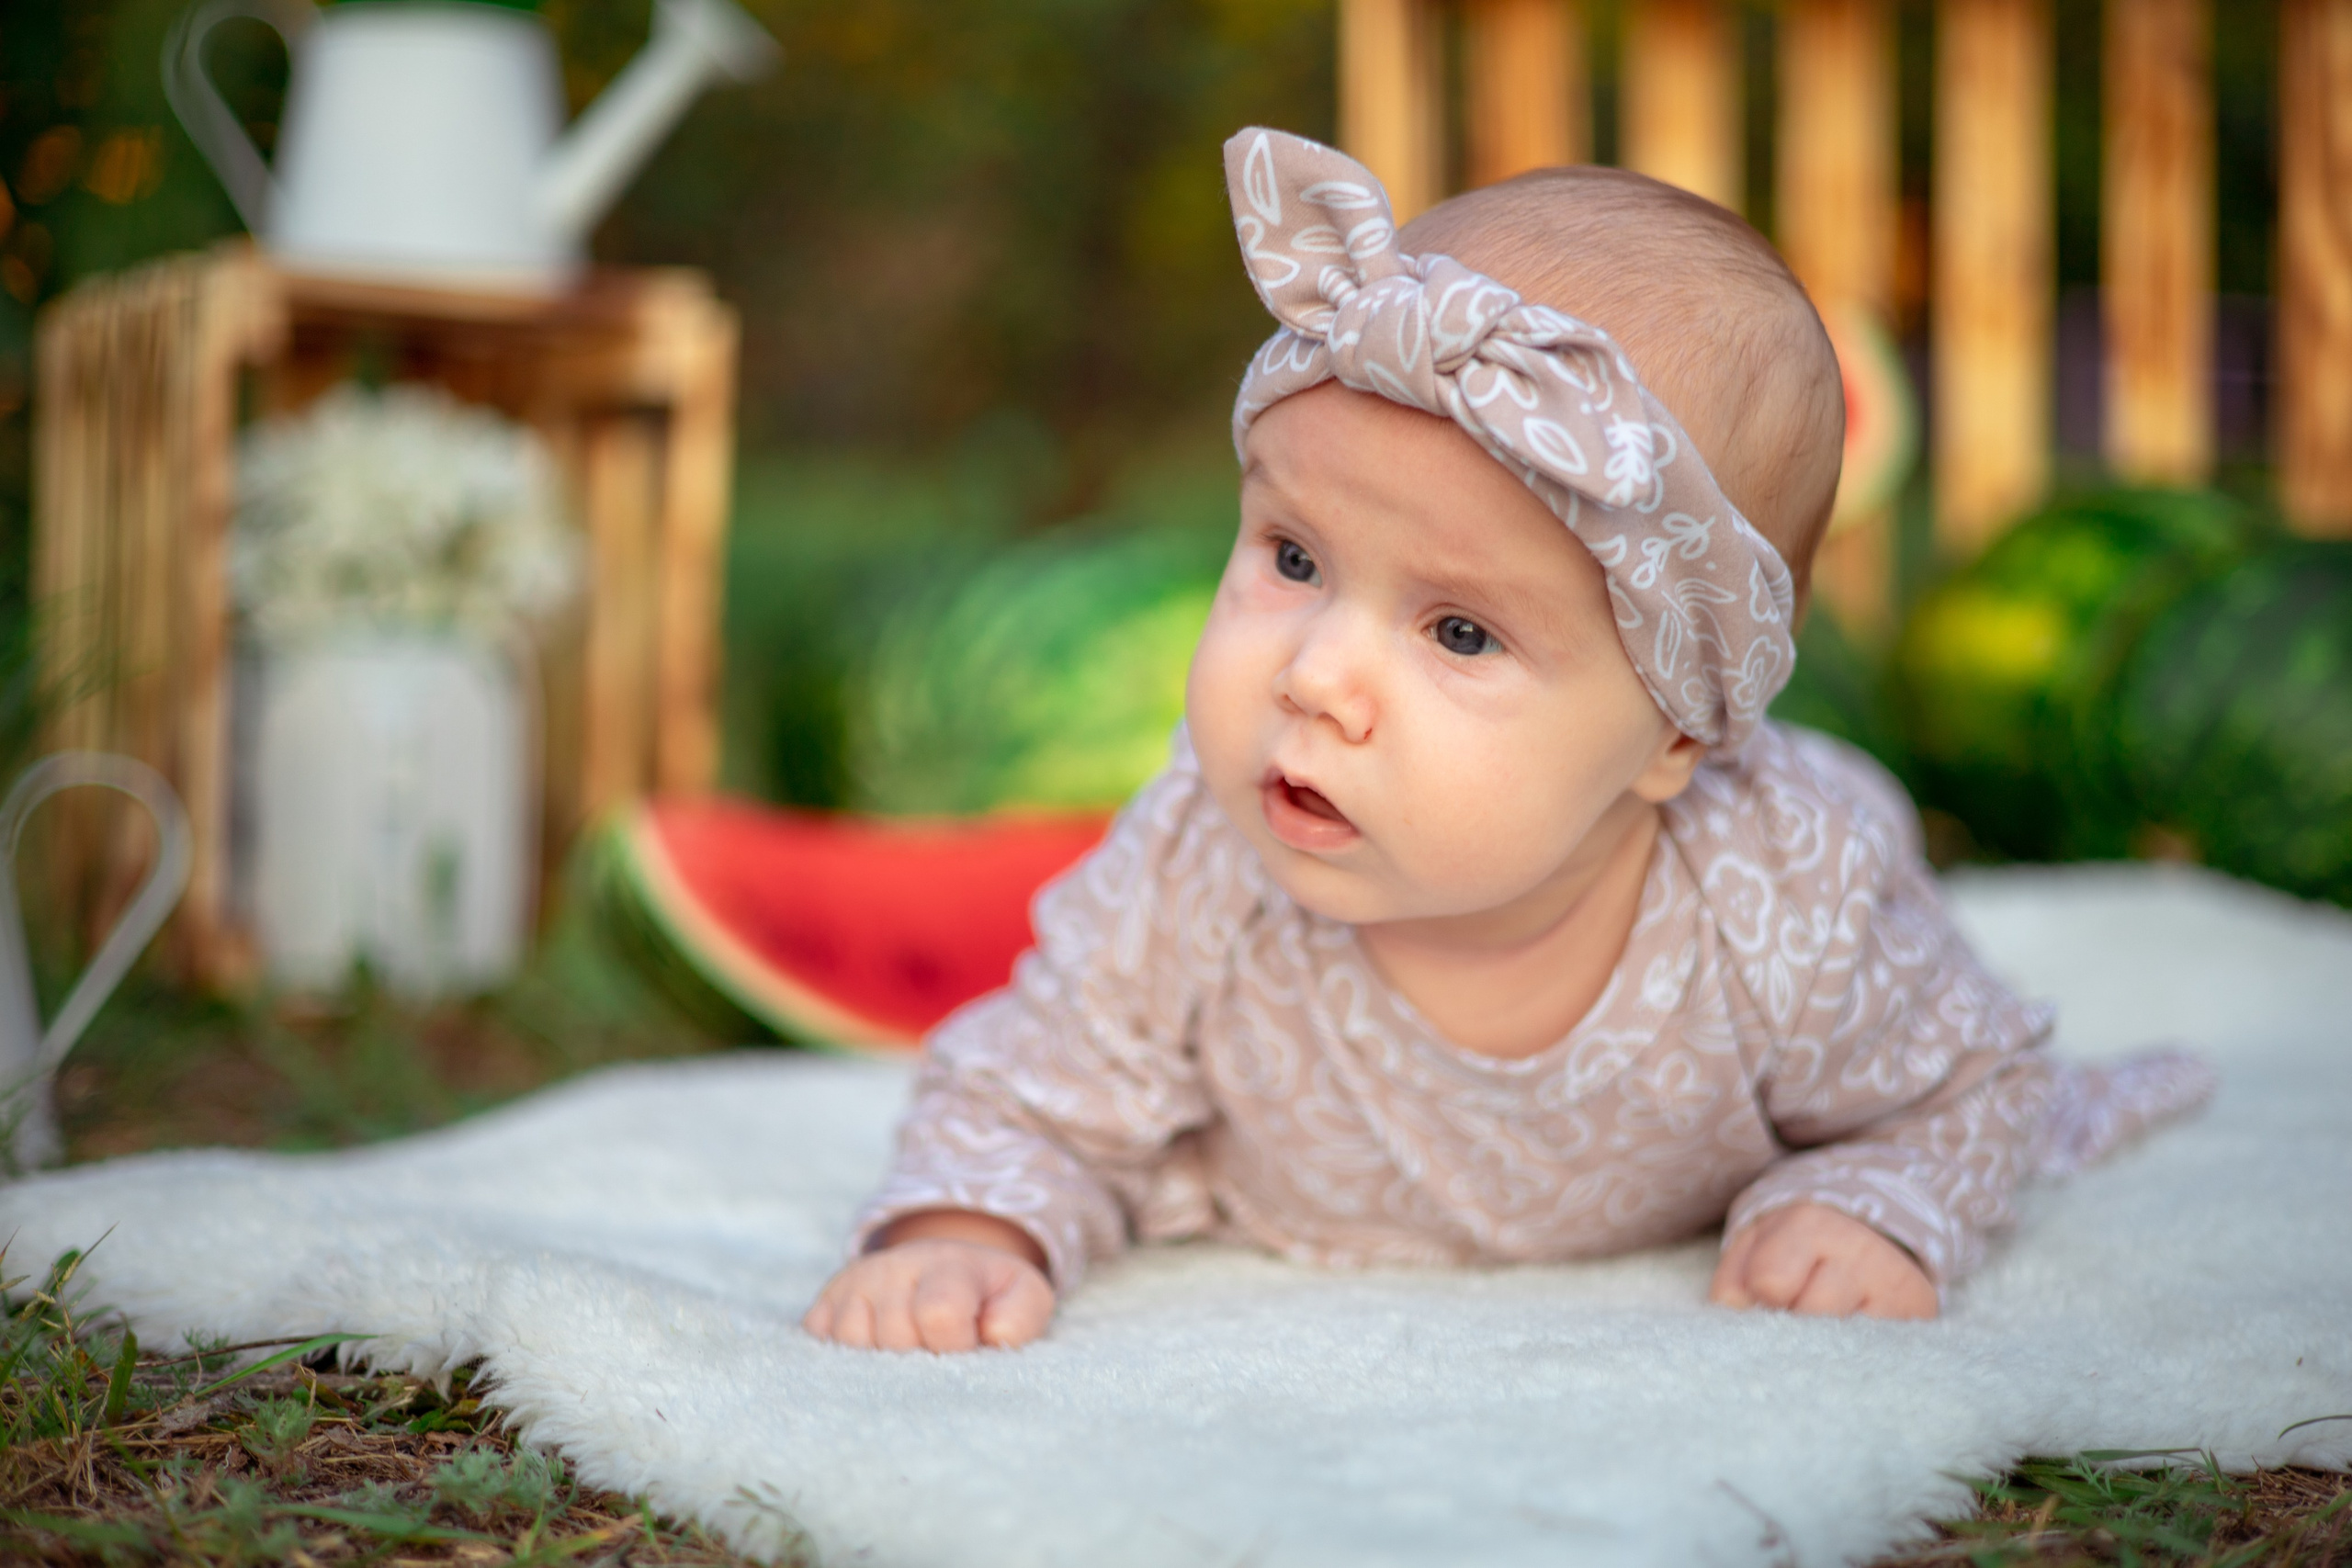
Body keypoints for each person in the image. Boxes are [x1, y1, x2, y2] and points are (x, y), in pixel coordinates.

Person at [802, 128, 2210, 1353]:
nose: (1315, 677)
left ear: (1674, 734)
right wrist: (964, 1233)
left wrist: (1866, 1200)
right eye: (1292, 556)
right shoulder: (1195, 859)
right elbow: (1033, 1093)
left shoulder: (1790, 893)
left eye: (1461, 634)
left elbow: (1972, 1090)